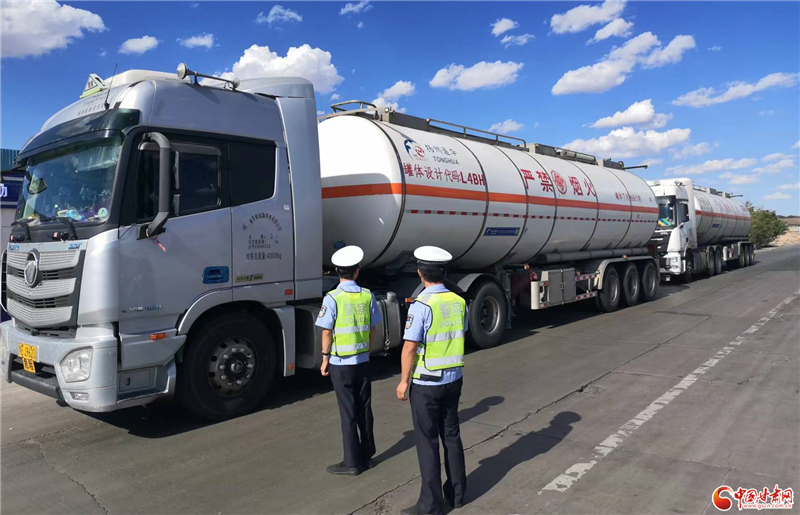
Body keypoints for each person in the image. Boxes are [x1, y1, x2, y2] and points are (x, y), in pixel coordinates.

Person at [396, 246, 468, 515]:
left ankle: (430, 505)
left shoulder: (421, 305)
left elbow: (410, 347)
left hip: (426, 383)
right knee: (452, 436)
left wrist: (404, 382)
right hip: (454, 379)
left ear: (420, 274)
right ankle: (458, 495)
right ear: (444, 273)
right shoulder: (459, 301)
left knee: (427, 442)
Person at [316, 245, 382, 476]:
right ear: (357, 271)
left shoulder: (332, 298)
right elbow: (373, 328)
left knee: (348, 412)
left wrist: (325, 358)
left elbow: (327, 331)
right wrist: (366, 350)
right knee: (364, 407)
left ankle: (352, 462)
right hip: (362, 360)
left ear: (337, 271)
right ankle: (367, 456)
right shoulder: (367, 295)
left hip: (340, 363)